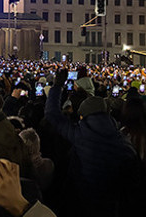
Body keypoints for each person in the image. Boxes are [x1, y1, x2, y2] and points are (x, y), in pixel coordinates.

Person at [45, 69, 139, 217]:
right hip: (111, 204)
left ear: (82, 116)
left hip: (82, 200)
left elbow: (52, 114)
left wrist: (57, 86)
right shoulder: (123, 140)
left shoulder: (80, 134)